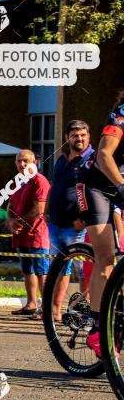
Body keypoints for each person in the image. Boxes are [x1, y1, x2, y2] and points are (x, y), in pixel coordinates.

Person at [76, 91, 124, 355]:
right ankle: (97, 326)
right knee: (105, 258)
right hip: (97, 186)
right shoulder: (121, 115)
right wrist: (120, 184)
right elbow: (105, 154)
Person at [46, 120, 92, 323]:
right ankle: (55, 310)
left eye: (82, 135)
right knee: (59, 268)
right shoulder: (62, 159)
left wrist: (83, 218)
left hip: (76, 226)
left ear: (88, 136)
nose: (79, 139)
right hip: (55, 223)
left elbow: (94, 191)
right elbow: (54, 186)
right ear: (67, 138)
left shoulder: (92, 159)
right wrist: (47, 210)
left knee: (84, 270)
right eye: (75, 135)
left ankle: (86, 310)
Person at [7, 149, 50, 317]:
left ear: (35, 162)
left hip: (37, 233)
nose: (22, 164)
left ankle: (46, 308)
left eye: (26, 160)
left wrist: (19, 222)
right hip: (21, 235)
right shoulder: (16, 182)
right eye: (19, 161)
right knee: (27, 270)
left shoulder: (40, 181)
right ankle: (31, 304)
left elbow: (39, 209)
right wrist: (10, 220)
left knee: (42, 272)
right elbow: (10, 205)